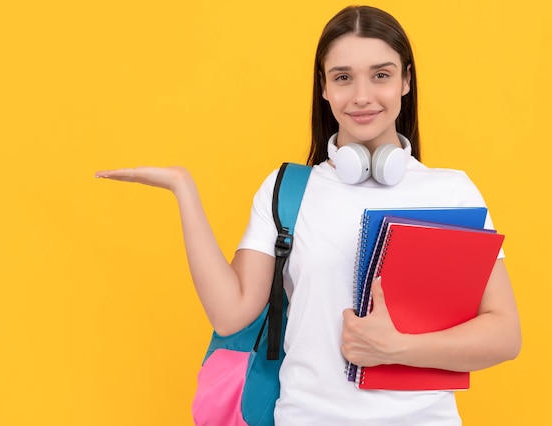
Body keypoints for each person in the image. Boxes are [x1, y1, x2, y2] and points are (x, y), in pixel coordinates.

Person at [96, 5, 521, 425]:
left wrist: (394, 348)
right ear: (323, 87)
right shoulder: (288, 190)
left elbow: (504, 335)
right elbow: (230, 314)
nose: (361, 96)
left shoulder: (450, 192)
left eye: (381, 74)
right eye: (342, 77)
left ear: (406, 80)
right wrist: (183, 189)